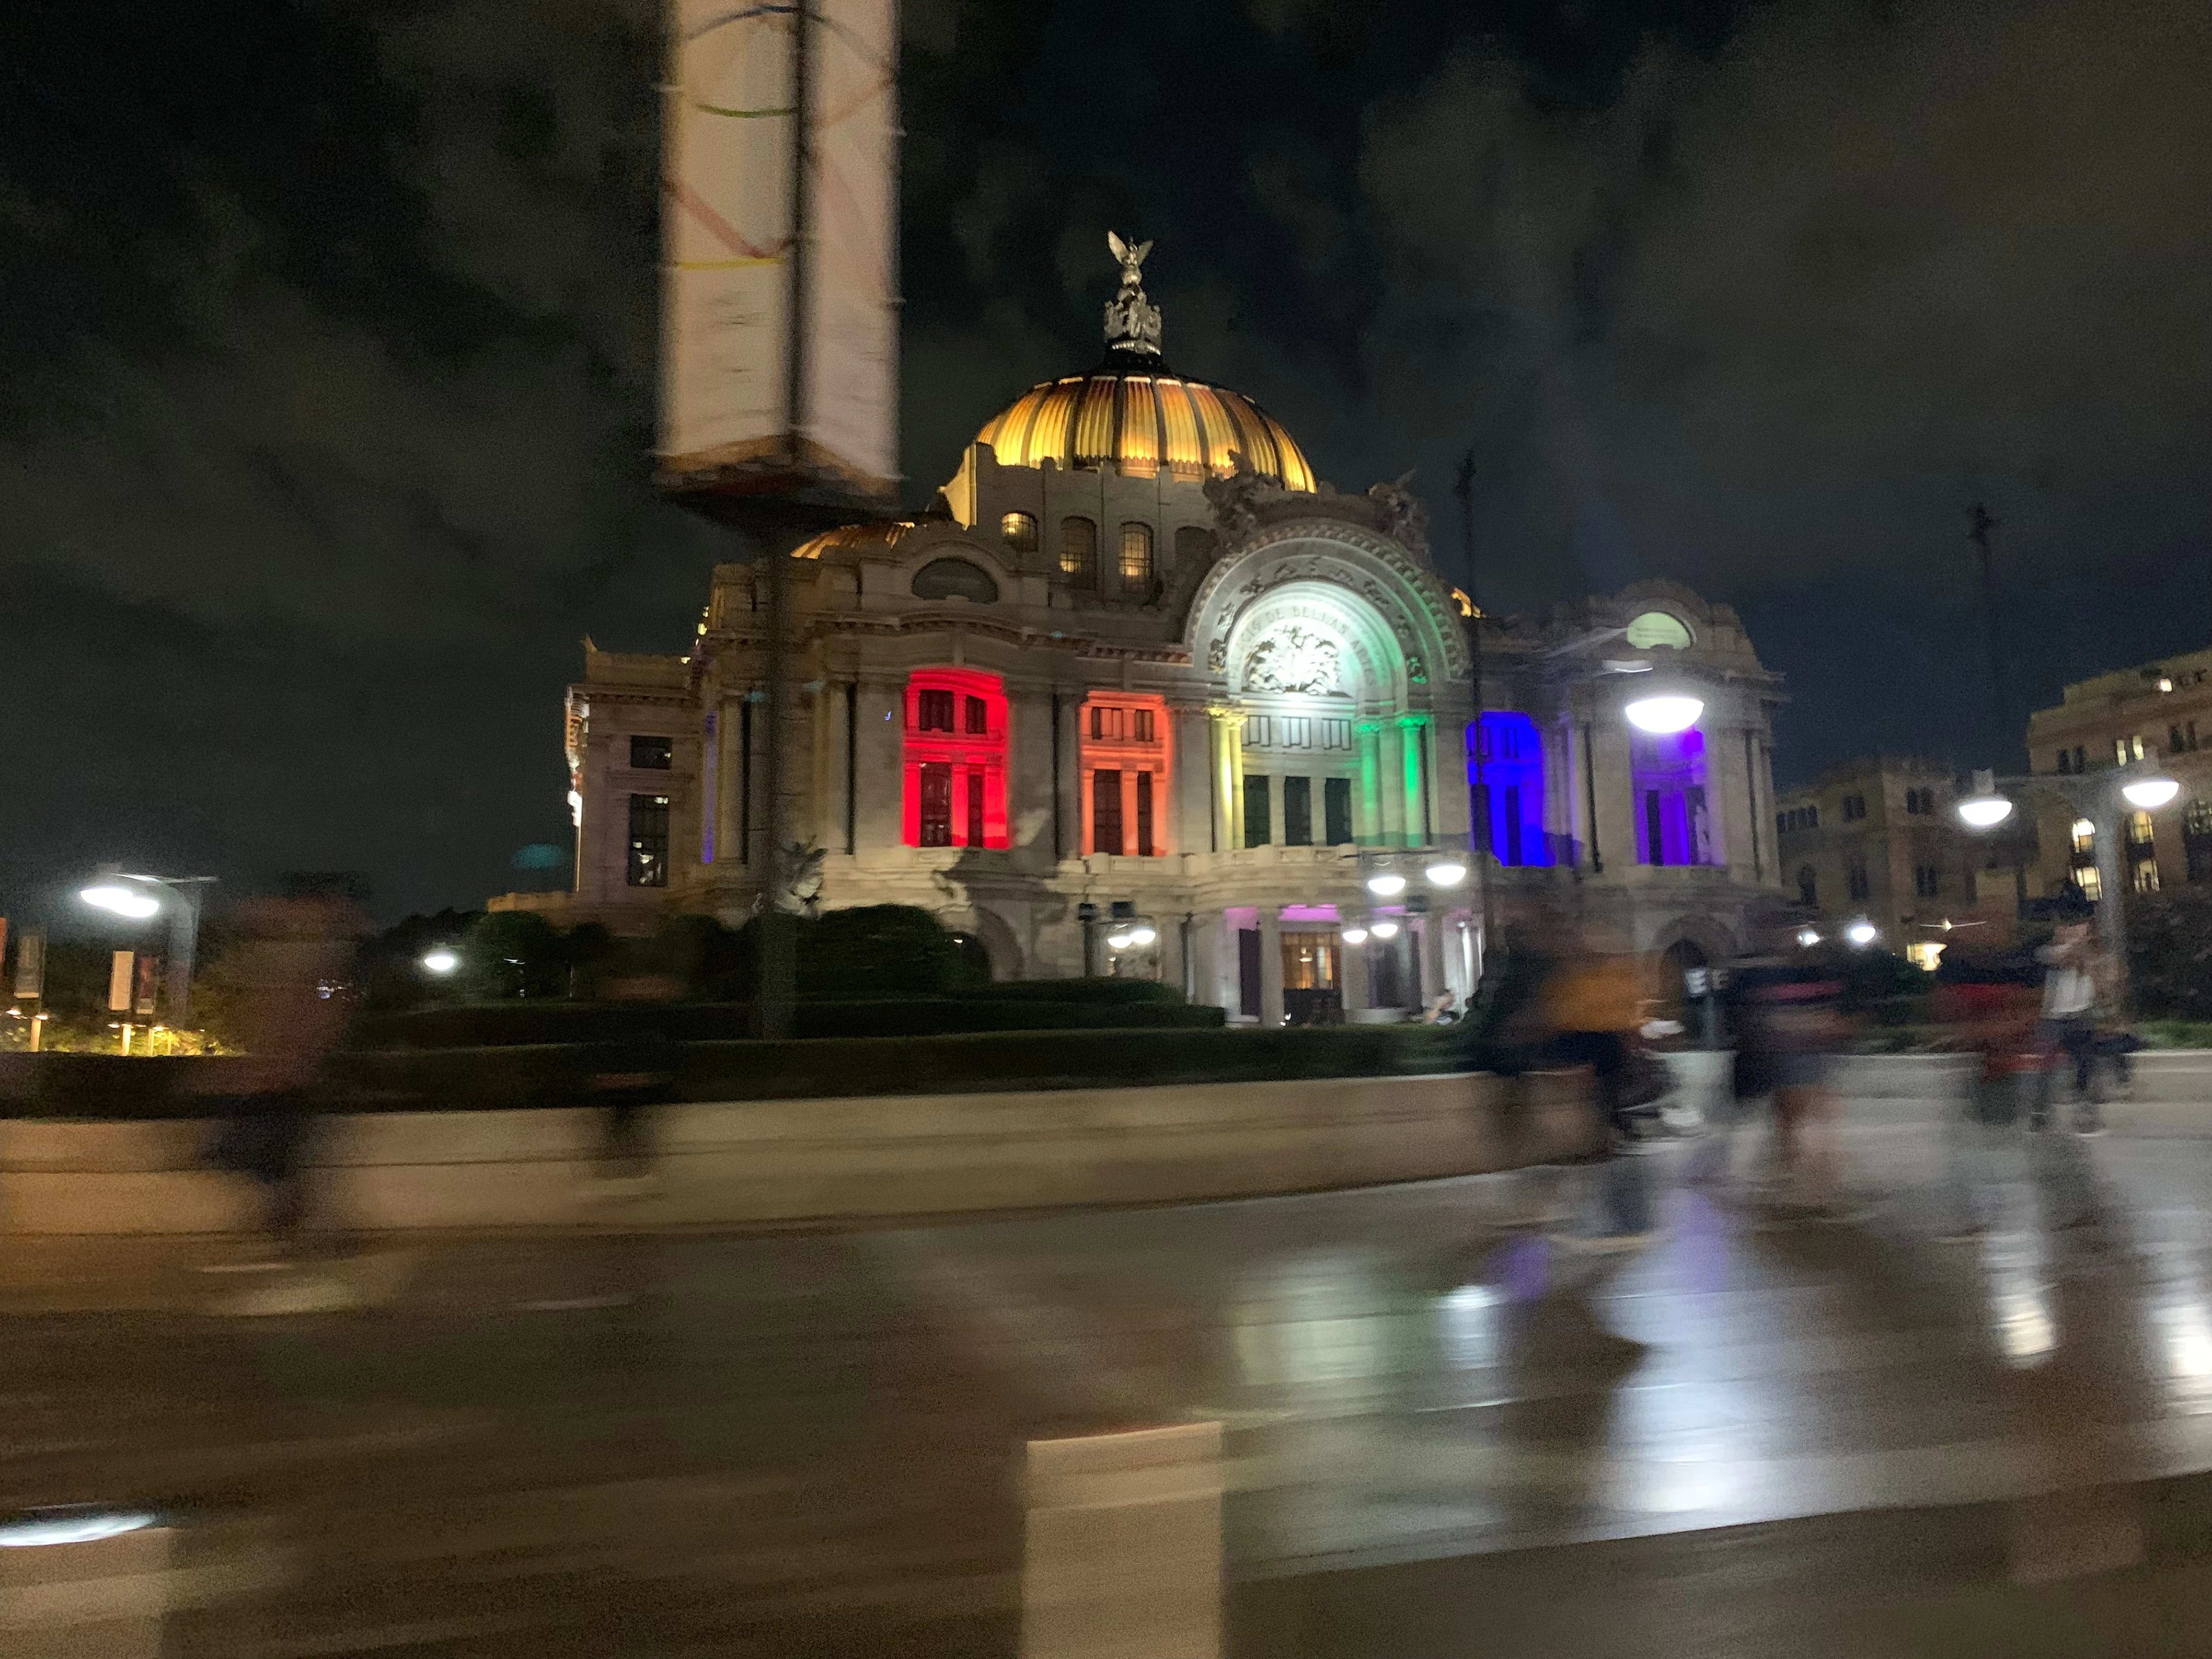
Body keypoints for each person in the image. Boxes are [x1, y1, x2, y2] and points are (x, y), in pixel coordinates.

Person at [201, 882, 370, 1312]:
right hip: (282, 1076)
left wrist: (286, 1061)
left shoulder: (312, 959)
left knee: (271, 1156)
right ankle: (298, 1231)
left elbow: (313, 1015)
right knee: (272, 1158)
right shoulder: (299, 956)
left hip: (288, 1078)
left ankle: (296, 1232)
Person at [1722, 915, 1855, 1217]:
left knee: (1802, 1116)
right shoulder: (1765, 971)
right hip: (1784, 1052)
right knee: (1792, 1117)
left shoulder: (1810, 970)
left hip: (1803, 1052)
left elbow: (1833, 1006)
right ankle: (1801, 1177)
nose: (1795, 940)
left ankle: (1805, 1178)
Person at [2033, 915, 2124, 1135]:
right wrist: (2080, 945)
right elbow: (2062, 959)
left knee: (2085, 1065)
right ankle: (2040, 1113)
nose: (2075, 931)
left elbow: (2108, 978)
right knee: (2047, 1067)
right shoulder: (2047, 952)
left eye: (2080, 927)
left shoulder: (2093, 956)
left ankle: (2085, 1115)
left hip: (2081, 1017)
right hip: (2053, 1019)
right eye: (2069, 927)